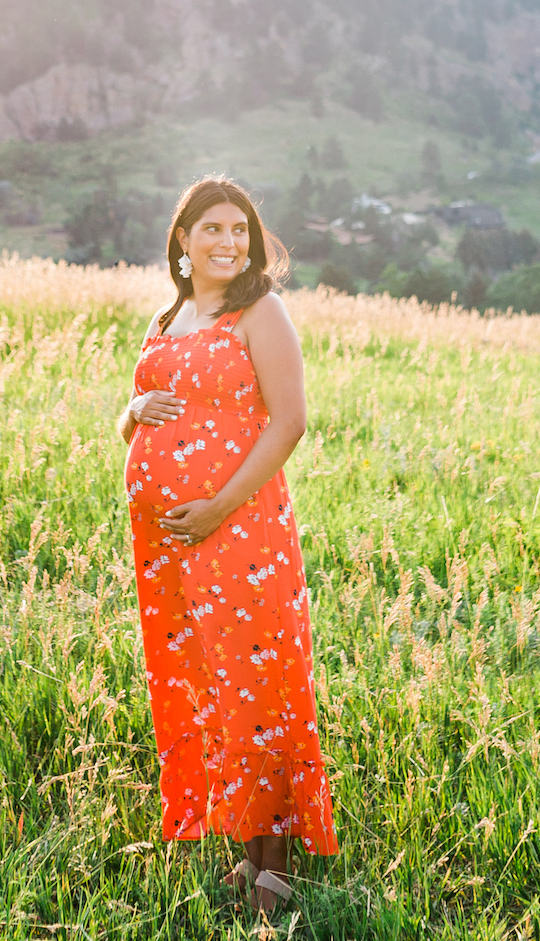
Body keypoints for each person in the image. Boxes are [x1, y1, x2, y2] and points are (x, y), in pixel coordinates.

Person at [118, 175, 338, 916]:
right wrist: (131, 407)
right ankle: (240, 844)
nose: (228, 241)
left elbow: (289, 422)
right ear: (182, 239)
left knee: (255, 680)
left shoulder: (260, 310)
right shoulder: (168, 313)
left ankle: (273, 859)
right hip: (166, 543)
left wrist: (215, 506)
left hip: (239, 528)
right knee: (202, 682)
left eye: (239, 228)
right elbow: (140, 421)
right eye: (211, 227)